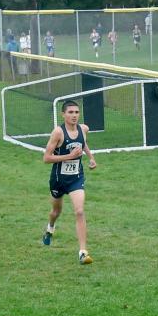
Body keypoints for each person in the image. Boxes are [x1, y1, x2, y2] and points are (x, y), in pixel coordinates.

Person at [41, 100, 98, 265]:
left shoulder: (84, 129)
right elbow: (46, 158)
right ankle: (50, 228)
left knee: (79, 211)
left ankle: (83, 252)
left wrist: (91, 158)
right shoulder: (58, 132)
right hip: (58, 180)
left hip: (76, 178)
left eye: (76, 112)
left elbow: (83, 143)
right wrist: (69, 156)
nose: (74, 115)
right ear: (63, 114)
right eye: (70, 112)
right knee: (55, 212)